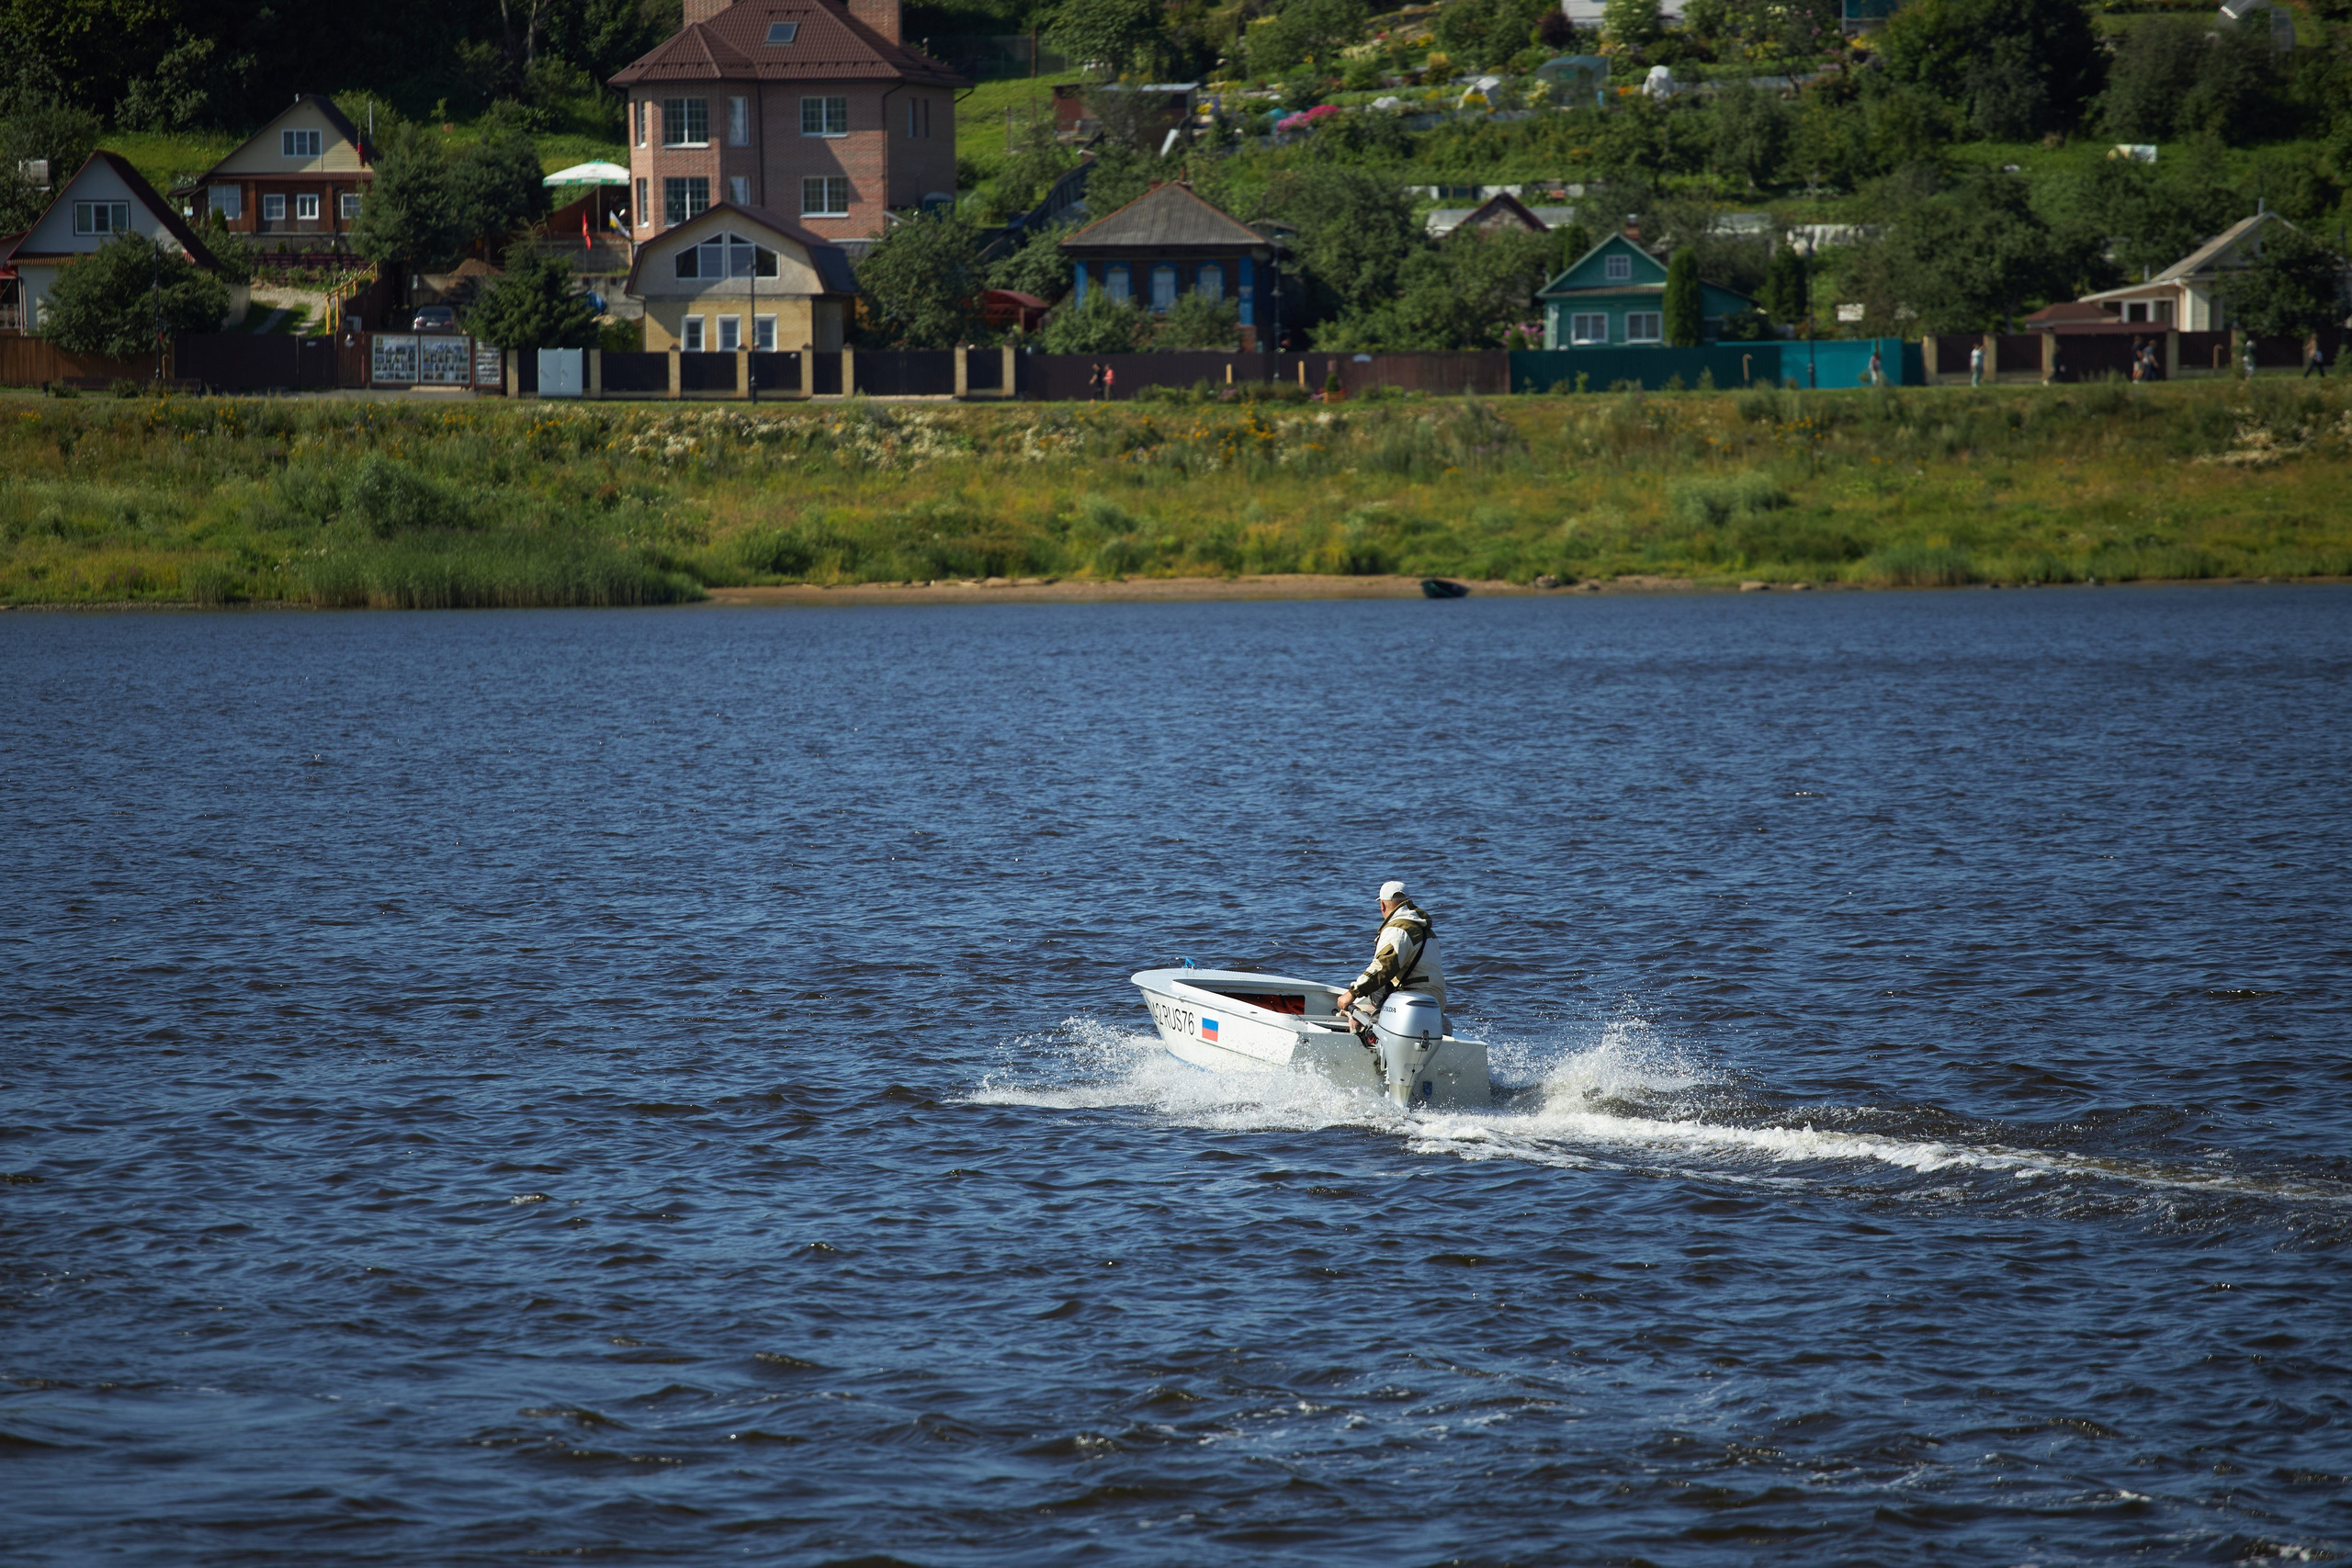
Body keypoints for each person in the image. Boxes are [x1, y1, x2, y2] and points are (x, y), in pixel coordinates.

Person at [1334, 880, 1444, 1020]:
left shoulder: (1397, 930)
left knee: (1358, 1018)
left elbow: (1383, 968)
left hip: (1412, 1002)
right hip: (1435, 1001)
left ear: (1382, 905)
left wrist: (1352, 993)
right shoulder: (1426, 930)